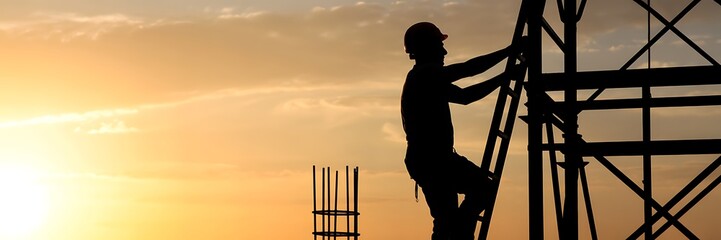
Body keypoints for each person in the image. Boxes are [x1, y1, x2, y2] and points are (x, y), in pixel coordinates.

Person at [400, 21, 525, 240]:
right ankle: (458, 233)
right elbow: (468, 69)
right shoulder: (424, 75)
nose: (445, 51)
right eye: (440, 46)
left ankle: (458, 233)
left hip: (433, 159)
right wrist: (509, 52)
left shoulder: (427, 79)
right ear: (428, 47)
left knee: (449, 216)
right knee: (470, 200)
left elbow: (466, 96)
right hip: (432, 160)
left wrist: (504, 75)